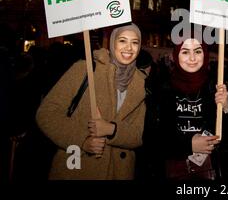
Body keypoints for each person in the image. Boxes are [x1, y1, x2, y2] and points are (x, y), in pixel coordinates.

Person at [36, 23, 146, 179]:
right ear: (112, 42)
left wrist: (112, 129)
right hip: (79, 167)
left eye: (135, 42)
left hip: (119, 172)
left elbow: (139, 134)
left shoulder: (141, 83)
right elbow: (46, 113)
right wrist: (83, 140)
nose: (129, 47)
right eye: (122, 40)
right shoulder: (85, 69)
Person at [139, 30, 228, 180]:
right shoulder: (161, 90)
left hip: (209, 173)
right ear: (176, 55)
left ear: (204, 54)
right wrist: (188, 145)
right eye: (185, 52)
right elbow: (151, 140)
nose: (192, 58)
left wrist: (226, 108)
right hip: (170, 172)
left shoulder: (216, 89)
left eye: (197, 51)